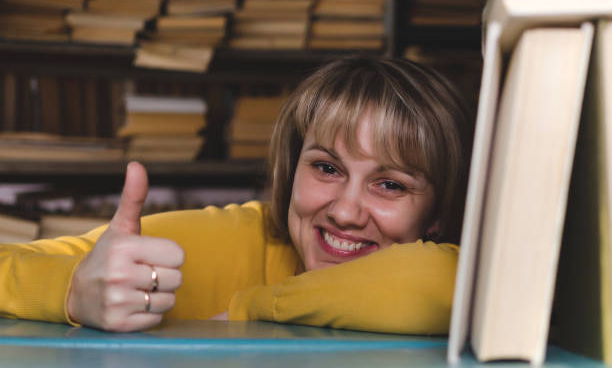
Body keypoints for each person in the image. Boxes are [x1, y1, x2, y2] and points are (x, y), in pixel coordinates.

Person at [0, 56, 475, 333]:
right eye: (327, 168)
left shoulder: (442, 266)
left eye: (390, 184)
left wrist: (253, 310)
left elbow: (445, 280)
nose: (347, 212)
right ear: (293, 170)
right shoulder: (219, 240)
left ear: (438, 211)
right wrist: (72, 291)